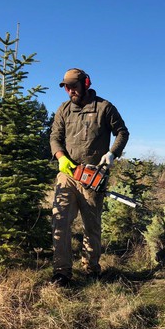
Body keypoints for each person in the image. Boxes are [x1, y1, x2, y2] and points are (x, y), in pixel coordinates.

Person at [49, 68, 129, 286]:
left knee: (91, 225)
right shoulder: (63, 109)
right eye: (67, 87)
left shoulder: (104, 108)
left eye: (74, 85)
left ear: (86, 83)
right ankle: (61, 272)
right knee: (60, 222)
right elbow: (54, 136)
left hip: (93, 176)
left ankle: (91, 268)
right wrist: (60, 157)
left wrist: (113, 153)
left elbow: (122, 132)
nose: (70, 90)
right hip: (68, 174)